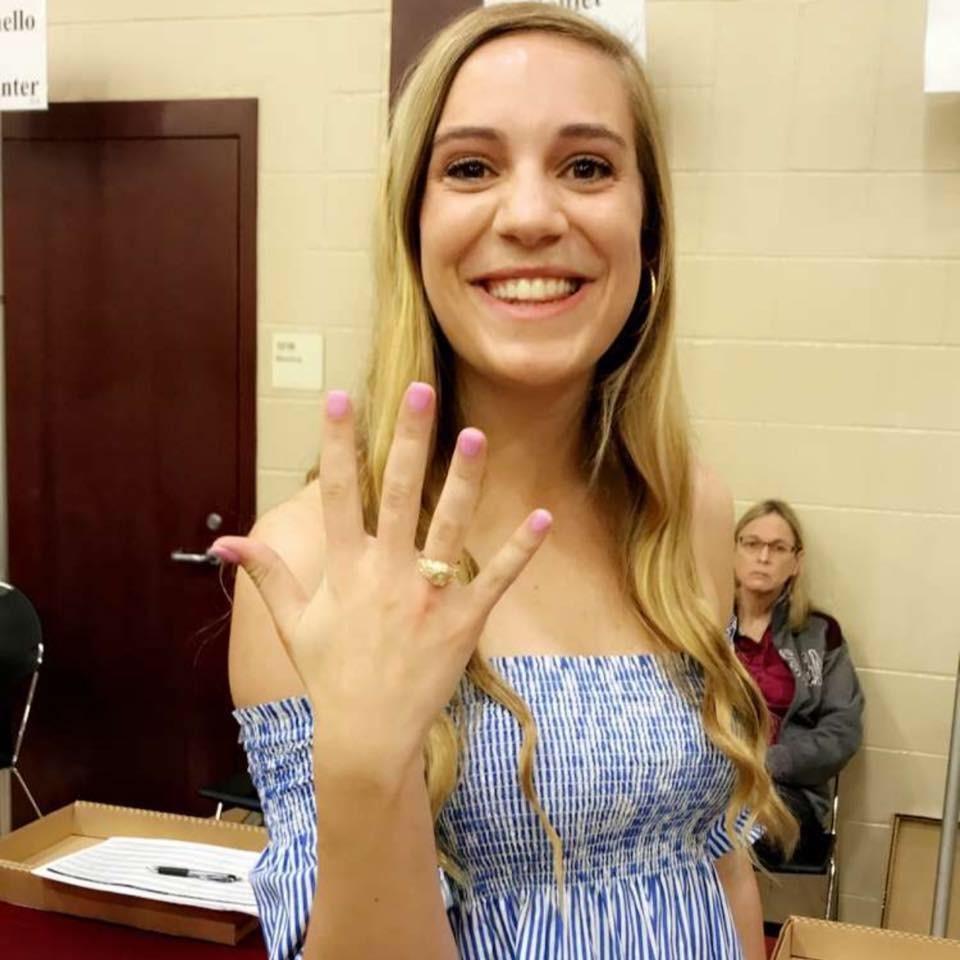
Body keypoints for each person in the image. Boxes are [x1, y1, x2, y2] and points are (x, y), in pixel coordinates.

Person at [210, 5, 796, 958]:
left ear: (648, 230)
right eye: (472, 167)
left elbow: (718, 858)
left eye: (587, 166)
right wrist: (369, 760)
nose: (530, 216)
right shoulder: (317, 559)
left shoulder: (684, 511)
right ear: (413, 226)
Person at [733, 499, 863, 866]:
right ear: (732, 551)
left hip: (786, 791)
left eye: (778, 548)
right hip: (708, 779)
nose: (763, 557)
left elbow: (842, 730)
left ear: (796, 562)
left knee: (727, 829)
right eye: (752, 543)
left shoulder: (820, 634)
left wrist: (770, 761)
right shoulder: (702, 626)